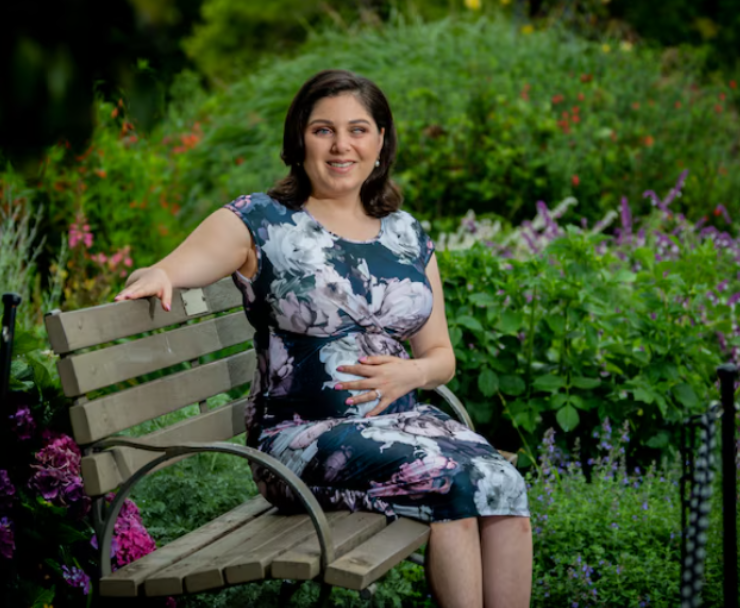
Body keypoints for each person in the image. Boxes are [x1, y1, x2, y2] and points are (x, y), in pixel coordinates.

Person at [115, 69, 532, 608]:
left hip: (402, 425)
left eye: (358, 130)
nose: (342, 146)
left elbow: (441, 355)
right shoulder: (261, 221)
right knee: (449, 481)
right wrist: (160, 274)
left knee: (502, 482)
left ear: (381, 141)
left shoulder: (406, 233)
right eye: (323, 130)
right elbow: (180, 264)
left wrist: (414, 372)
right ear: (299, 140)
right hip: (299, 440)